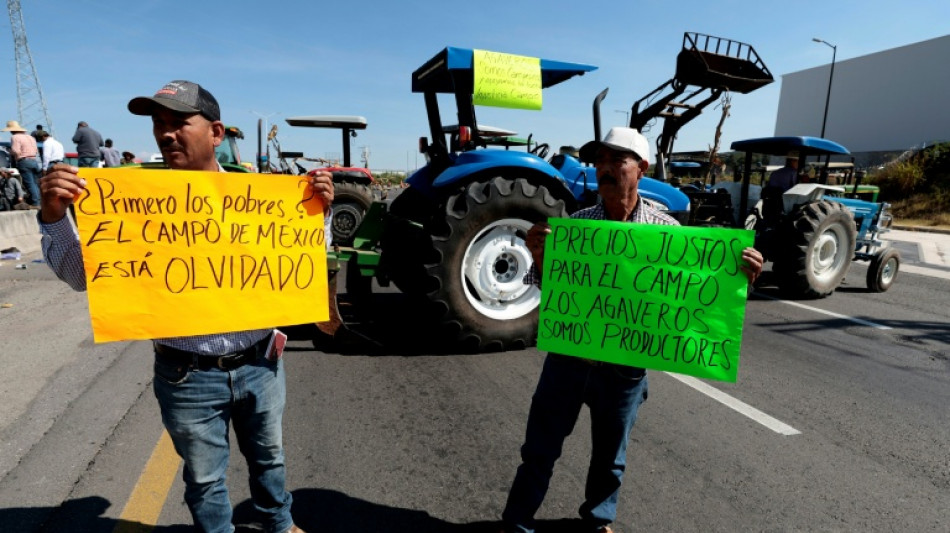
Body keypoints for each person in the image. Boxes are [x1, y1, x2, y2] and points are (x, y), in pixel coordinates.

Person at [39, 80, 335, 533]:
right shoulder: (130, 203)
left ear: (215, 133)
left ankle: (280, 523)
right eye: (159, 123)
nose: (166, 132)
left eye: (180, 122)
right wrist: (56, 219)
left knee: (270, 459)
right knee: (204, 478)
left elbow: (304, 263)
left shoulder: (263, 199)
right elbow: (82, 279)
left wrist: (321, 214)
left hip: (261, 364)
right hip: (187, 375)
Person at [499, 127, 763, 533]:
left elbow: (694, 298)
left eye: (615, 161)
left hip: (624, 371)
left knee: (610, 458)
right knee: (539, 449)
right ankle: (516, 522)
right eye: (599, 161)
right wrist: (540, 257)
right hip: (568, 362)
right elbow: (551, 290)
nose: (604, 168)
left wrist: (740, 276)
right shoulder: (576, 227)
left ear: (640, 168)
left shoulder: (668, 234)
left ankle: (598, 521)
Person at [2, 120, 42, 208]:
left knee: (29, 184)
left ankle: (36, 203)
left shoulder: (15, 137)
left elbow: (16, 150)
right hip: (34, 161)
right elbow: (35, 150)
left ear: (12, 130)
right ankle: (39, 202)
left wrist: (10, 151)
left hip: (24, 161)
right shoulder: (31, 137)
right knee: (35, 183)